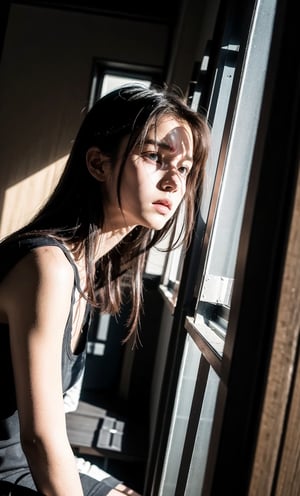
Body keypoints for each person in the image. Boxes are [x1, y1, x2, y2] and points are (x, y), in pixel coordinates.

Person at [0, 83, 210, 495]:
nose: (173, 182)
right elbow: (39, 440)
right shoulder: (47, 266)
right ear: (98, 163)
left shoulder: (86, 268)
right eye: (155, 157)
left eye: (183, 168)